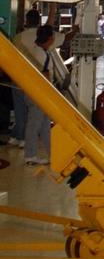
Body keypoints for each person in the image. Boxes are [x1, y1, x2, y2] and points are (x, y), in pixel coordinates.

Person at [23, 23, 56, 165]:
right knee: (34, 125)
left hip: (35, 92)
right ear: (49, 39)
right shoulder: (41, 54)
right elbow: (45, 75)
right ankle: (30, 156)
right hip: (39, 94)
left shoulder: (36, 50)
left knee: (44, 126)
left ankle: (52, 154)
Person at [10, 8, 42, 145]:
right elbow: (65, 38)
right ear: (39, 21)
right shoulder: (43, 37)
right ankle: (23, 138)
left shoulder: (18, 38)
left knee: (19, 109)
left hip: (18, 78)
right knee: (33, 112)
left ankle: (17, 136)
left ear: (26, 21)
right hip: (36, 80)